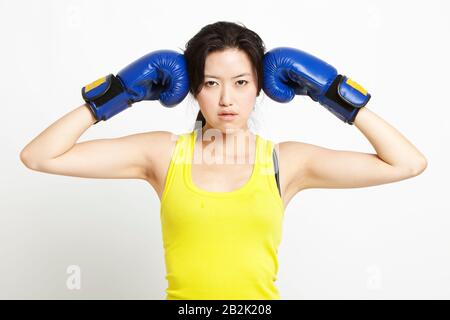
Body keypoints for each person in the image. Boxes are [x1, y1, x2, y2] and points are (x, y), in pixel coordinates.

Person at [19, 21, 427, 300]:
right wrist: (118, 93)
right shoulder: (163, 154)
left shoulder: (287, 162)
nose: (227, 99)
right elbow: (39, 156)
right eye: (211, 83)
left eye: (241, 82)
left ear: (260, 88)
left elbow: (407, 163)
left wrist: (332, 92)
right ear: (193, 89)